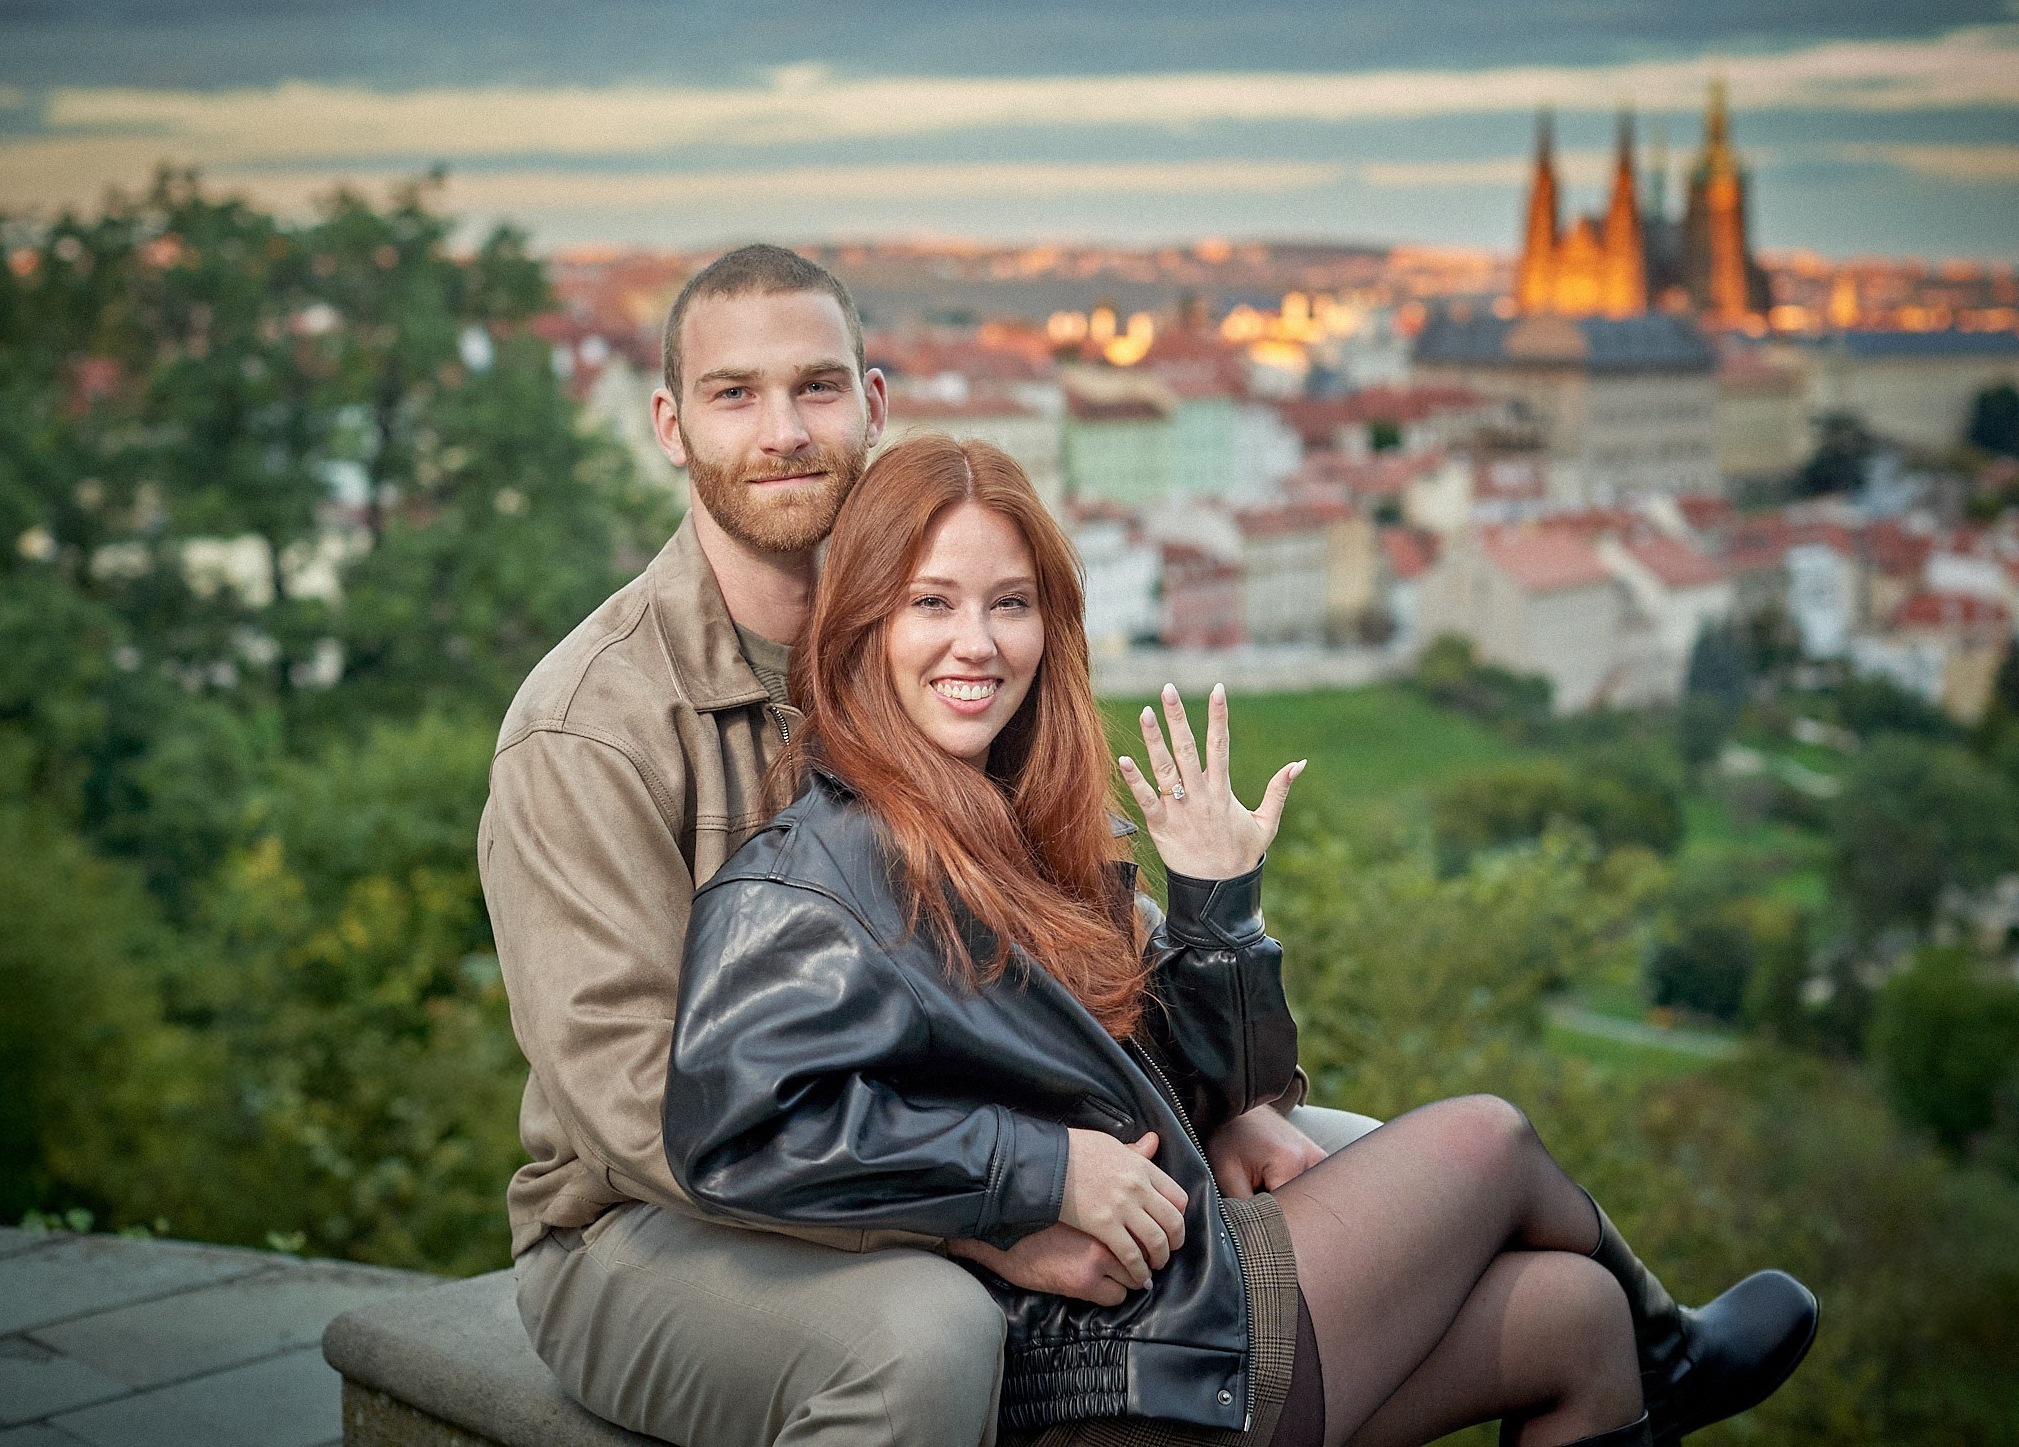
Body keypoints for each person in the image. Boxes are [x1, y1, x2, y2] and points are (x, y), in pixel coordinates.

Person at [663, 436, 1819, 1446]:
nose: (979, 642)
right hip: (1088, 1371)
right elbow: (739, 1124)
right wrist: (1039, 1174)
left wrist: (1215, 905)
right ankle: (1680, 1357)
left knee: (1575, 1319)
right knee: (1486, 1139)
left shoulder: (1014, 830)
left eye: (1009, 604)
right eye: (933, 602)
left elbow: (1197, 1090)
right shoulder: (807, 883)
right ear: (863, 619)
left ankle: (1651, 1352)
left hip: (1165, 1307)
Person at [482, 245, 1372, 1447]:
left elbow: (1072, 940)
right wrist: (993, 1211)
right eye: (734, 394)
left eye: (817, 388)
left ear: (873, 405)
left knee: (1367, 1168)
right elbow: (644, 1108)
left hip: (959, 1143)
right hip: (650, 1227)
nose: (784, 430)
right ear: (672, 425)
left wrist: (1210, 1099)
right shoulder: (590, 728)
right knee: (928, 1333)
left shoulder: (929, 644)